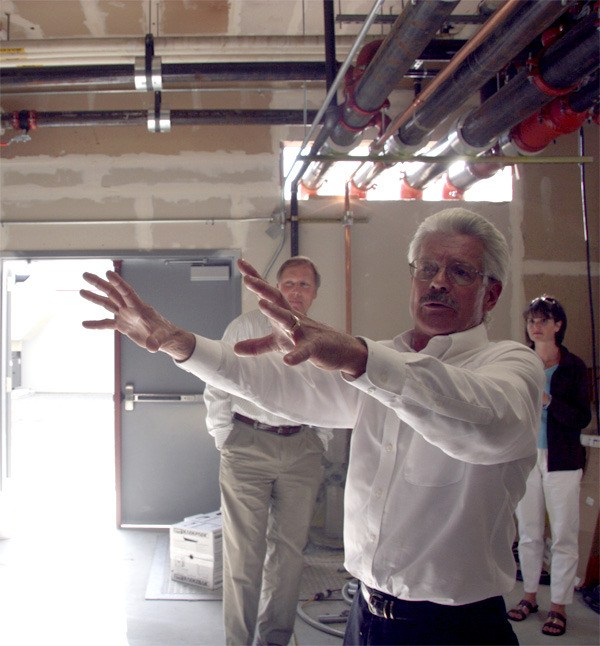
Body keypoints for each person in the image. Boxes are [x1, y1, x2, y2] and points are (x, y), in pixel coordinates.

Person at [80, 207, 545, 645]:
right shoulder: (386, 361)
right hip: (364, 615)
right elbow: (280, 386)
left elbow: (487, 422)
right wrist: (180, 344)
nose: (438, 283)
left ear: (492, 292)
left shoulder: (507, 364)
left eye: (460, 271)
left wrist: (360, 358)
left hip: (454, 627)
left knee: (285, 552)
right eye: (426, 269)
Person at [203, 256, 328, 646]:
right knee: (244, 556)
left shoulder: (323, 334)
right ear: (276, 288)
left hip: (301, 449)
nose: (295, 291)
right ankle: (238, 642)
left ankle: (275, 639)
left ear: (314, 292)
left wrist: (319, 442)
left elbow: (329, 394)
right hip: (248, 444)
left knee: (289, 554)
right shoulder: (243, 327)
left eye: (304, 285)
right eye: (288, 283)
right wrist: (225, 436)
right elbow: (218, 378)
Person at [507, 295, 591, 638]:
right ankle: (529, 596)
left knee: (564, 535)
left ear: (558, 325)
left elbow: (581, 418)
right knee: (528, 533)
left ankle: (558, 605)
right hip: (527, 457)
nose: (535, 326)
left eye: (542, 320)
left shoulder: (573, 367)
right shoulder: (520, 363)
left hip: (562, 460)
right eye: (531, 321)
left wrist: (549, 401)